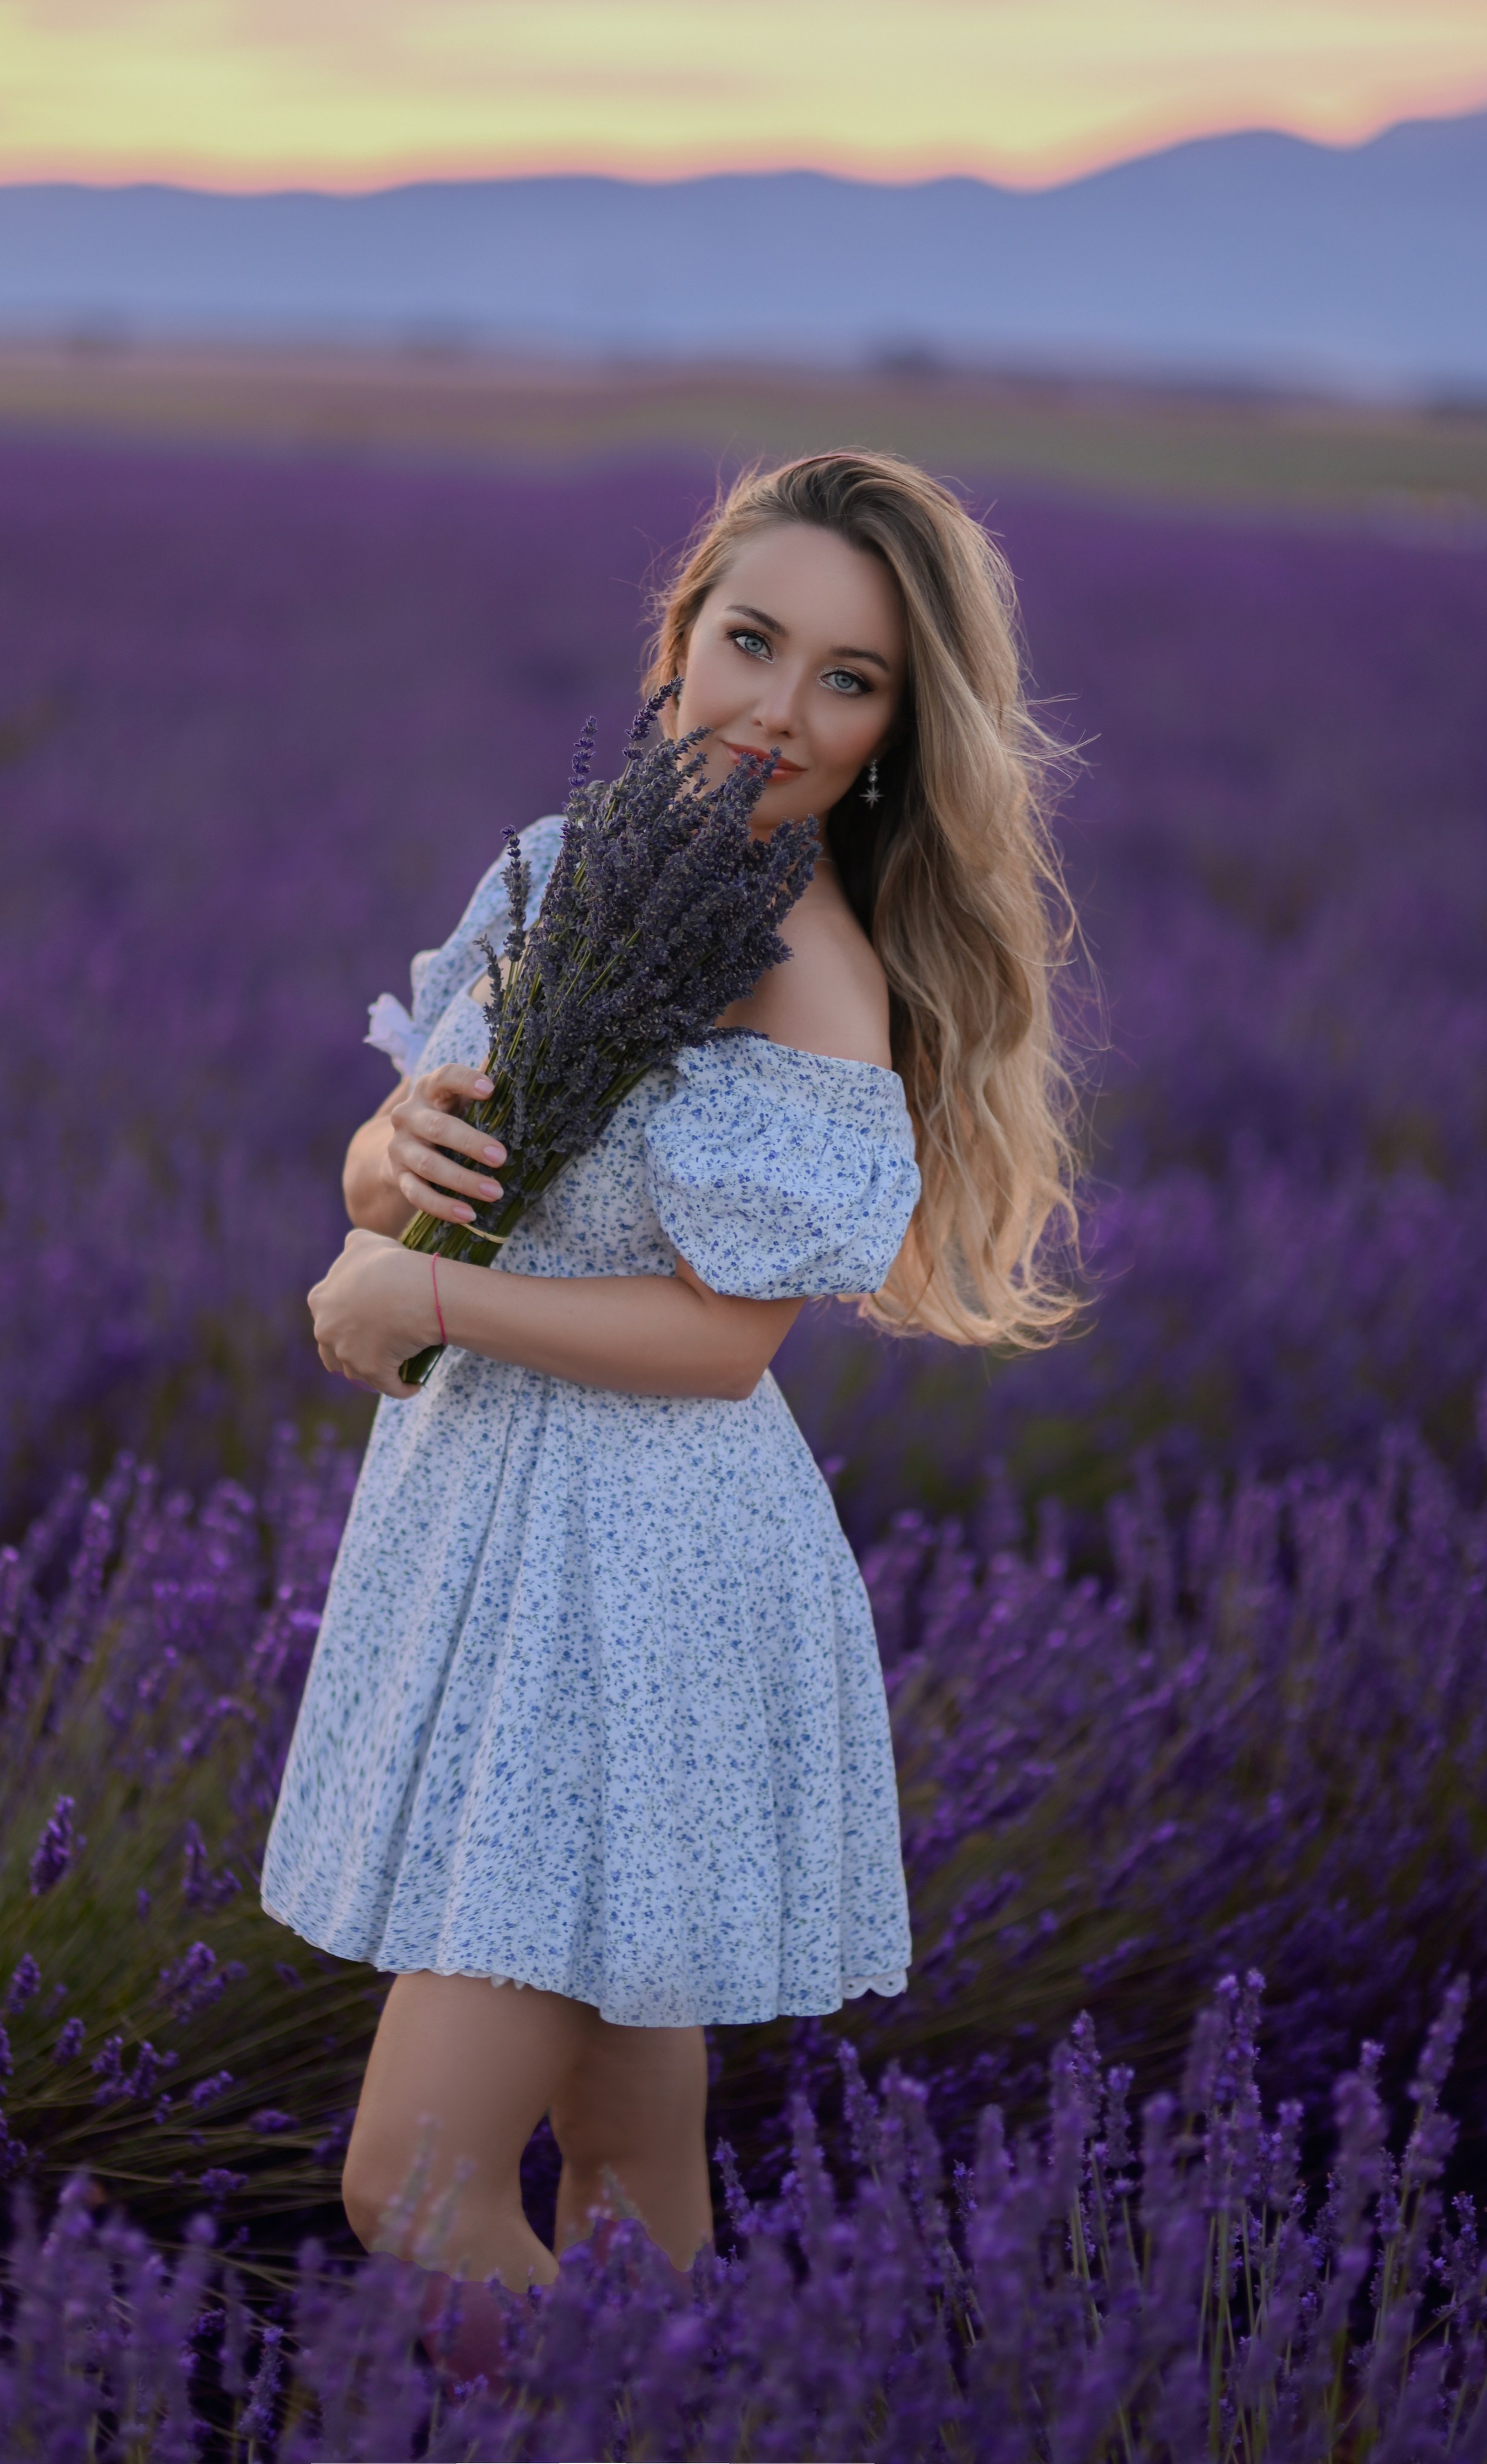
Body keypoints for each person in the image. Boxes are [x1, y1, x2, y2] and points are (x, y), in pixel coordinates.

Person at [261, 448, 1079, 2371]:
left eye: (850, 680)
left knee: (416, 2194)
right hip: (503, 1540)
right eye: (753, 642)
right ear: (681, 634)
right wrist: (389, 1159)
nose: (780, 711)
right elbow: (408, 1146)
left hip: (640, 1587)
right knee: (633, 2183)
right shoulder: (556, 869)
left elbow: (724, 1345)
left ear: (896, 732)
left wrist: (424, 1295)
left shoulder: (812, 975)